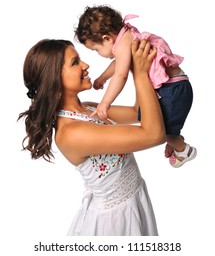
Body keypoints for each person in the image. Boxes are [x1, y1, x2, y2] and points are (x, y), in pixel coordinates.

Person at [18, 38, 166, 236]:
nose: (86, 65)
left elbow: (137, 111)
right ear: (54, 78)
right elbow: (154, 134)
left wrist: (131, 63)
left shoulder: (88, 108)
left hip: (134, 200)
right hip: (114, 222)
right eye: (75, 62)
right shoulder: (71, 132)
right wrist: (140, 73)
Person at [74, 5, 197, 168]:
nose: (99, 54)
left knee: (161, 128)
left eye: (96, 50)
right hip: (173, 87)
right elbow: (118, 63)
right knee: (156, 120)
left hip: (171, 89)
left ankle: (183, 149)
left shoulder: (124, 43)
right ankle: (174, 140)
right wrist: (102, 78)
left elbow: (121, 75)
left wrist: (105, 103)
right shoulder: (125, 37)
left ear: (107, 39)